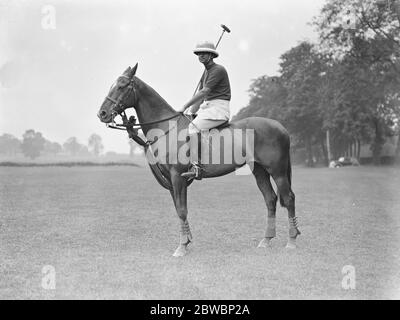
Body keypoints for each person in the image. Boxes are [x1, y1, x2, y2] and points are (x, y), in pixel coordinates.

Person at [177, 41, 231, 180]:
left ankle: (196, 167)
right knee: (189, 124)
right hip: (207, 108)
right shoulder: (205, 73)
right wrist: (190, 112)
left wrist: (184, 106)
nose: (200, 55)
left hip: (218, 109)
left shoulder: (218, 70)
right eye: (198, 53)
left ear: (211, 55)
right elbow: (201, 97)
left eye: (204, 53)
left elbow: (204, 92)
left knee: (193, 128)